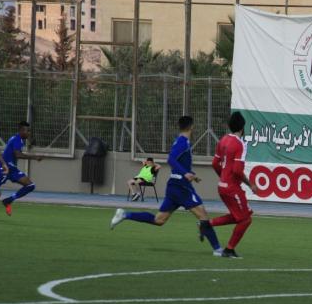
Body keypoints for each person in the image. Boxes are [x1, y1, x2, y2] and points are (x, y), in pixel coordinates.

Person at [109, 116, 223, 257]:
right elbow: (171, 159)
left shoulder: (179, 141)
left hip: (175, 186)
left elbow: (180, 163)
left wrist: (191, 174)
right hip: (181, 187)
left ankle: (125, 215)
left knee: (159, 220)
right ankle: (218, 250)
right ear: (191, 127)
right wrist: (185, 173)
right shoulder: (183, 142)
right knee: (203, 216)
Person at [208, 111, 259, 259]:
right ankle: (229, 250)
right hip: (232, 188)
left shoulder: (223, 140)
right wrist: (250, 185)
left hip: (222, 186)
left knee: (239, 216)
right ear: (242, 128)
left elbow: (214, 163)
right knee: (245, 219)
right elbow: (237, 171)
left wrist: (223, 177)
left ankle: (207, 224)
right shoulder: (240, 144)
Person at [0, 121, 43, 216]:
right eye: (28, 131)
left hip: (12, 170)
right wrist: (34, 157)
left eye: (29, 131)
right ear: (21, 131)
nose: (29, 133)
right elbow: (17, 154)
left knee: (30, 185)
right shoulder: (17, 139)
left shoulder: (19, 140)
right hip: (4, 168)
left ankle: (8, 200)